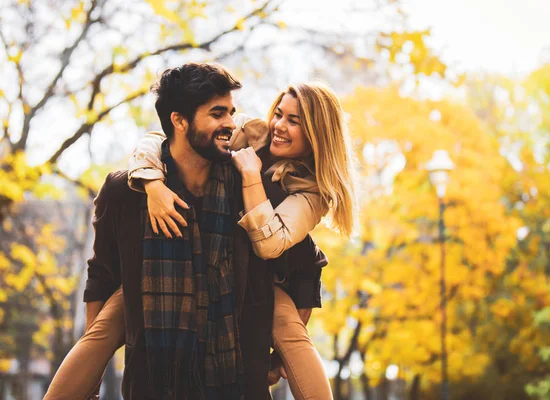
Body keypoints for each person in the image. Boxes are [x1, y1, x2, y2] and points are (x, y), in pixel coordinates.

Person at [44, 63, 327, 400]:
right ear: (179, 120)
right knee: (106, 325)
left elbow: (306, 265)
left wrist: (278, 355)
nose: (231, 124)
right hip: (154, 380)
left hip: (236, 381)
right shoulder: (126, 190)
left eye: (231, 113)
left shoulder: (255, 189)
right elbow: (102, 275)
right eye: (218, 113)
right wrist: (151, 185)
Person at [130, 81, 358, 399]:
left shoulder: (313, 191)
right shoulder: (251, 133)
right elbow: (160, 140)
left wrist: (251, 177)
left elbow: (269, 244)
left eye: (294, 121)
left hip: (257, 276)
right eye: (279, 114)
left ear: (317, 133)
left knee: (291, 335)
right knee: (112, 319)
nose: (279, 125)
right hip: (196, 250)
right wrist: (151, 182)